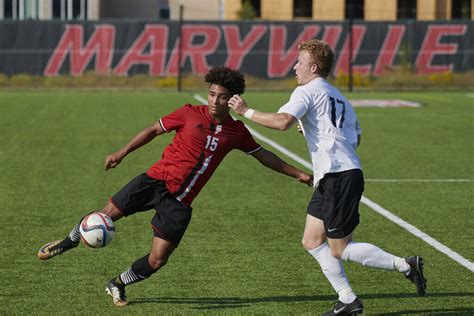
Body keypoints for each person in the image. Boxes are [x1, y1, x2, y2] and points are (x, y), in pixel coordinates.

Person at [37, 66, 313, 307]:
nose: (216, 100)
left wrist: (300, 174)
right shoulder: (189, 113)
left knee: (158, 260)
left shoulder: (237, 132)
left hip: (180, 201)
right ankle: (66, 242)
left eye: (222, 96)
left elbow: (264, 156)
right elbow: (152, 131)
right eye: (212, 94)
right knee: (104, 216)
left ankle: (118, 283)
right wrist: (121, 153)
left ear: (234, 99)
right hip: (154, 181)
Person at [228, 39, 427, 315]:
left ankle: (405, 265)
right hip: (337, 174)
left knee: (339, 248)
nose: (294, 66)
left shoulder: (305, 91)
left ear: (313, 67)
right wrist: (313, 127)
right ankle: (347, 299)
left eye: (299, 62)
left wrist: (245, 111)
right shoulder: (339, 97)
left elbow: (282, 122)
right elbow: (355, 137)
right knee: (311, 240)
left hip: (338, 175)